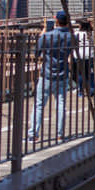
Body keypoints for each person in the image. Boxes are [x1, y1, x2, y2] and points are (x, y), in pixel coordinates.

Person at [29, 11, 76, 142]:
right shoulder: (72, 37)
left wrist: (42, 35)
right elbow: (74, 50)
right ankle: (60, 134)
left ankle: (33, 134)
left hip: (47, 74)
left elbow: (37, 53)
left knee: (39, 104)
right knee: (61, 103)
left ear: (56, 21)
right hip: (63, 74)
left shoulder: (46, 36)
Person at [72, 19, 95, 98]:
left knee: (80, 74)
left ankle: (81, 90)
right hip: (90, 55)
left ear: (80, 26)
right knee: (89, 73)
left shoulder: (76, 34)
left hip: (79, 55)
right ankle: (91, 89)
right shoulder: (91, 34)